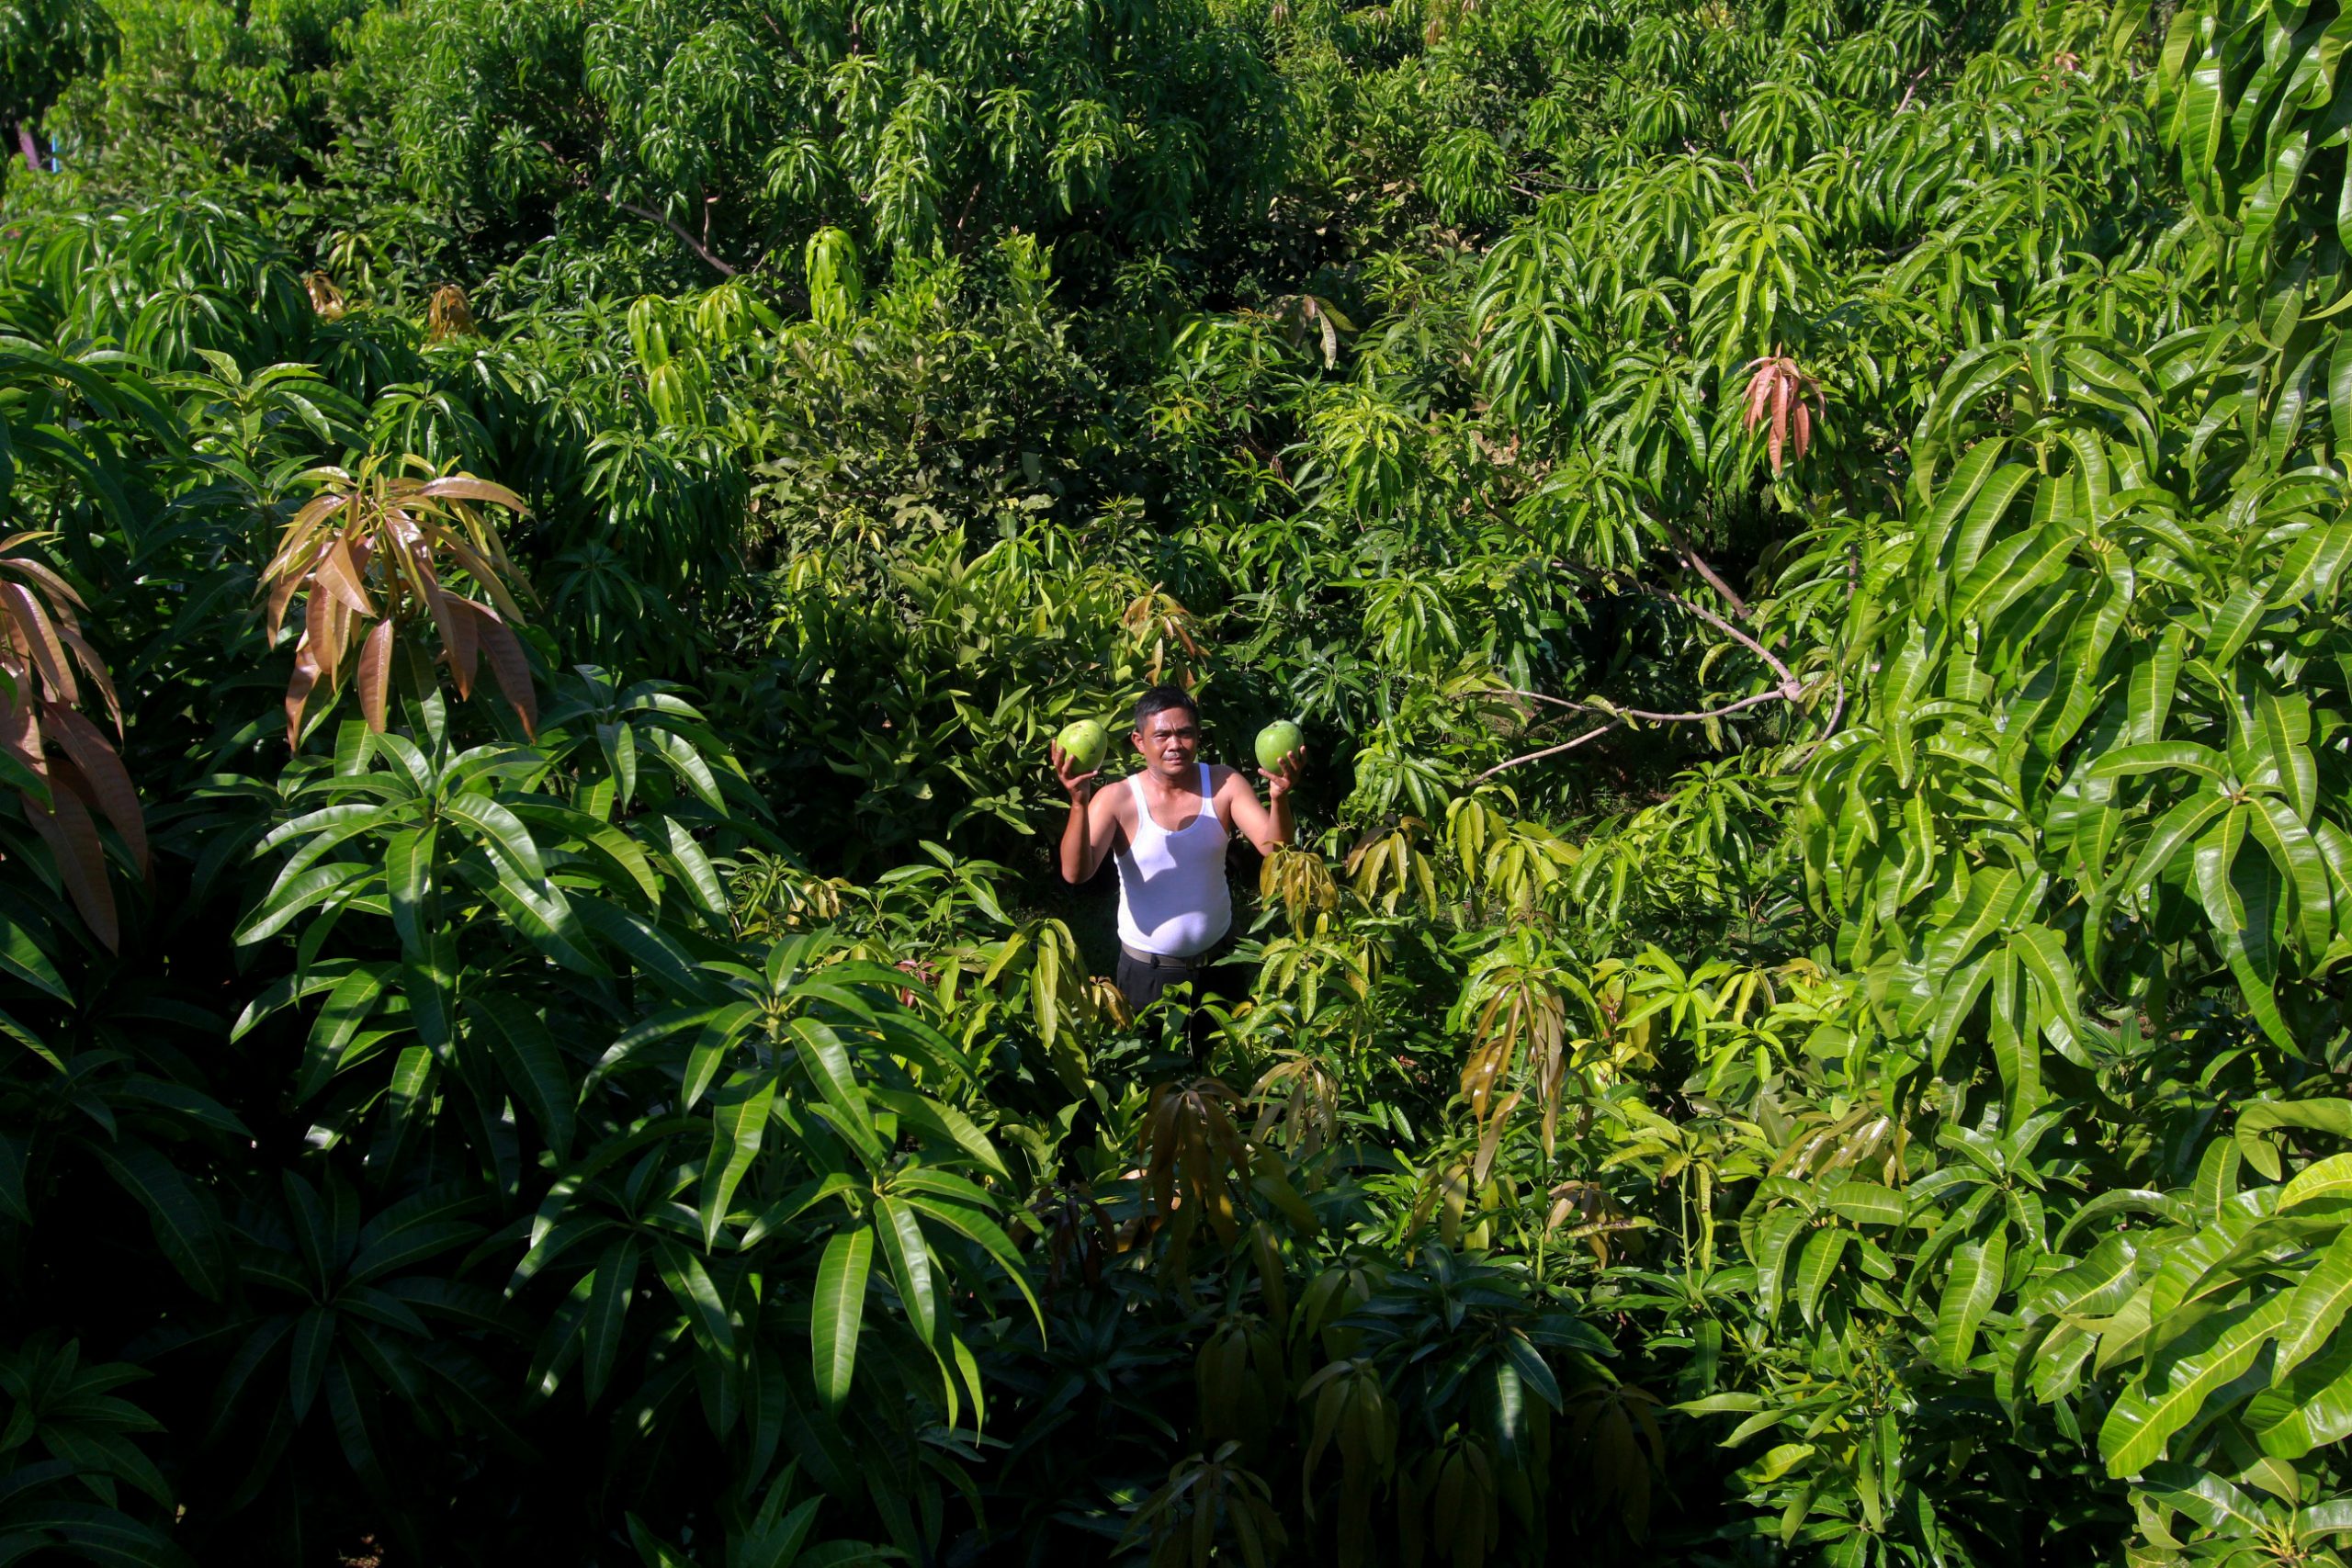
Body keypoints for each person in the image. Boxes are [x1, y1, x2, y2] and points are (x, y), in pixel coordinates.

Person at [1051, 685, 1304, 1050]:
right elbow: (1076, 873)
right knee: (1154, 1076)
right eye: (1162, 735)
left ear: (1198, 736)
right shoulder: (1118, 799)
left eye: (1185, 733)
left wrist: (1279, 799)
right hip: (1148, 975)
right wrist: (1079, 803)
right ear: (1139, 742)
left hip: (1220, 966)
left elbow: (1276, 851)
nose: (1175, 744)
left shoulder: (1223, 784)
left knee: (1226, 1071)